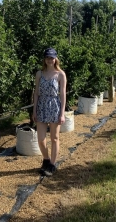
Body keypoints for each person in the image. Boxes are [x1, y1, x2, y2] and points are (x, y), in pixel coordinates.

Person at [32, 47, 67, 176]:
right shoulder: (39, 74)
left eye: (52, 57)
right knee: (41, 139)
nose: (49, 60)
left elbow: (63, 95)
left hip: (54, 107)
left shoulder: (60, 74)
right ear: (44, 59)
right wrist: (34, 110)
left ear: (55, 58)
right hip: (41, 106)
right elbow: (36, 93)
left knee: (54, 138)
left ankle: (52, 164)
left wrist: (62, 113)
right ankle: (46, 159)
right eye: (47, 57)